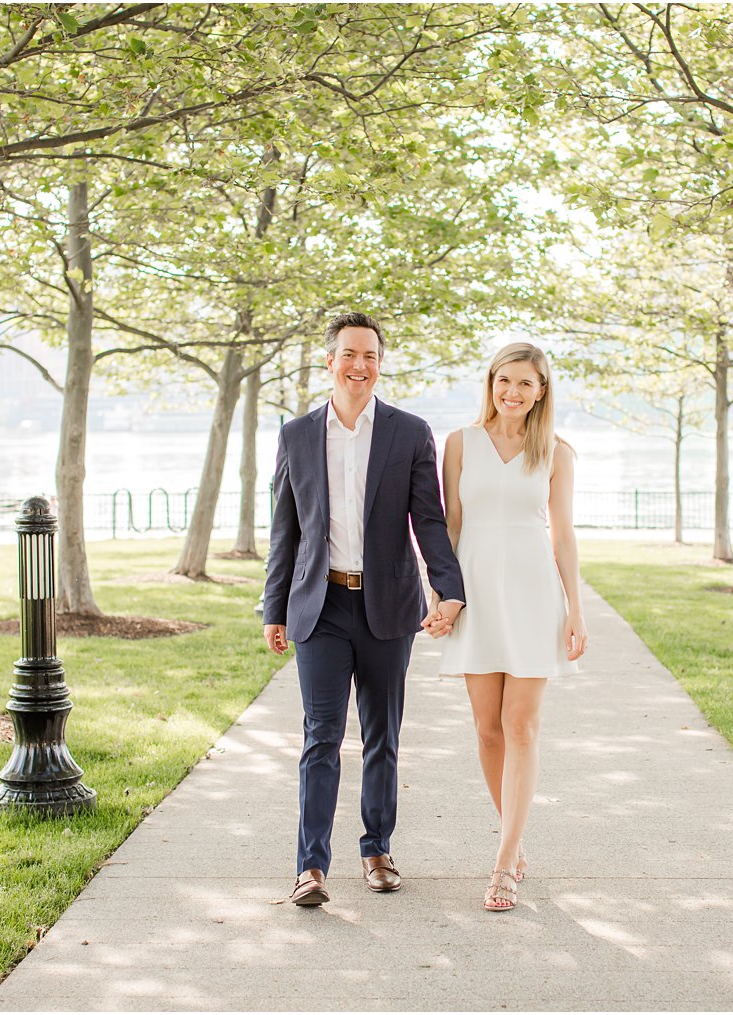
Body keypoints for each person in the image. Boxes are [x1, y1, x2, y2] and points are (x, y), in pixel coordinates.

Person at [263, 312, 466, 908]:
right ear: (329, 362)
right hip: (320, 606)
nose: (359, 366)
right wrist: (274, 607)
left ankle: (377, 849)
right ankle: (311, 867)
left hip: (387, 607)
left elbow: (428, 520)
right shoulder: (297, 434)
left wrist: (447, 591)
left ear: (380, 363)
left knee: (383, 735)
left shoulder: (409, 432)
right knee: (321, 737)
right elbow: (286, 529)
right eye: (349, 355)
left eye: (370, 356)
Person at [431, 341, 587, 912]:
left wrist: (576, 607)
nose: (513, 393)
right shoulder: (459, 444)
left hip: (531, 596)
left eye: (525, 383)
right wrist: (441, 595)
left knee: (521, 727)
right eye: (504, 381)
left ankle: (504, 863)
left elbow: (562, 534)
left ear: (541, 391)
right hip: (474, 596)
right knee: (487, 730)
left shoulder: (557, 452)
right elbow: (450, 525)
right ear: (490, 383)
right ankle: (514, 839)